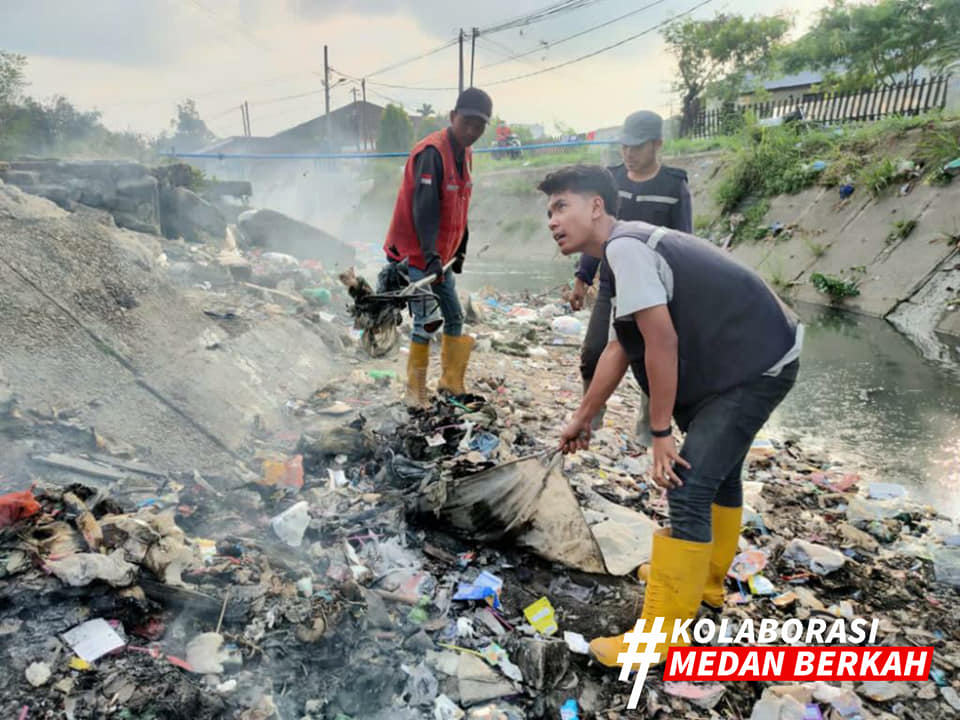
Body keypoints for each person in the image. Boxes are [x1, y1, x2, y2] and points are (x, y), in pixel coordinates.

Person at [538, 165, 802, 667]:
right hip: (753, 358)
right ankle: (704, 585)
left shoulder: (625, 249)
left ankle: (663, 636)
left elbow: (661, 341)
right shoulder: (620, 253)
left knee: (687, 483)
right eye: (549, 211)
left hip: (756, 365)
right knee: (717, 478)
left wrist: (661, 432)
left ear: (597, 206)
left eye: (562, 206)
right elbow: (622, 345)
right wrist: (583, 418)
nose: (552, 220)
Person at [569, 111, 692, 437]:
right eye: (625, 147)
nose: (629, 154)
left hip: (656, 292)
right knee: (594, 351)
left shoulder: (674, 186)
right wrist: (582, 279)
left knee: (652, 355)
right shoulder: (611, 183)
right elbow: (595, 233)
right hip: (612, 284)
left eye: (637, 147)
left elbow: (683, 244)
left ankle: (649, 428)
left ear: (657, 144)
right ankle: (589, 420)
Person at [383, 87, 493, 408]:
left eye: (479, 126)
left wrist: (460, 247)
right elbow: (425, 209)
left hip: (440, 256)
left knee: (454, 317)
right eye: (467, 123)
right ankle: (415, 392)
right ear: (453, 117)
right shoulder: (431, 152)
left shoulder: (465, 152)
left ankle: (450, 381)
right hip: (416, 254)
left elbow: (459, 202)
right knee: (426, 322)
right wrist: (430, 256)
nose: (472, 131)